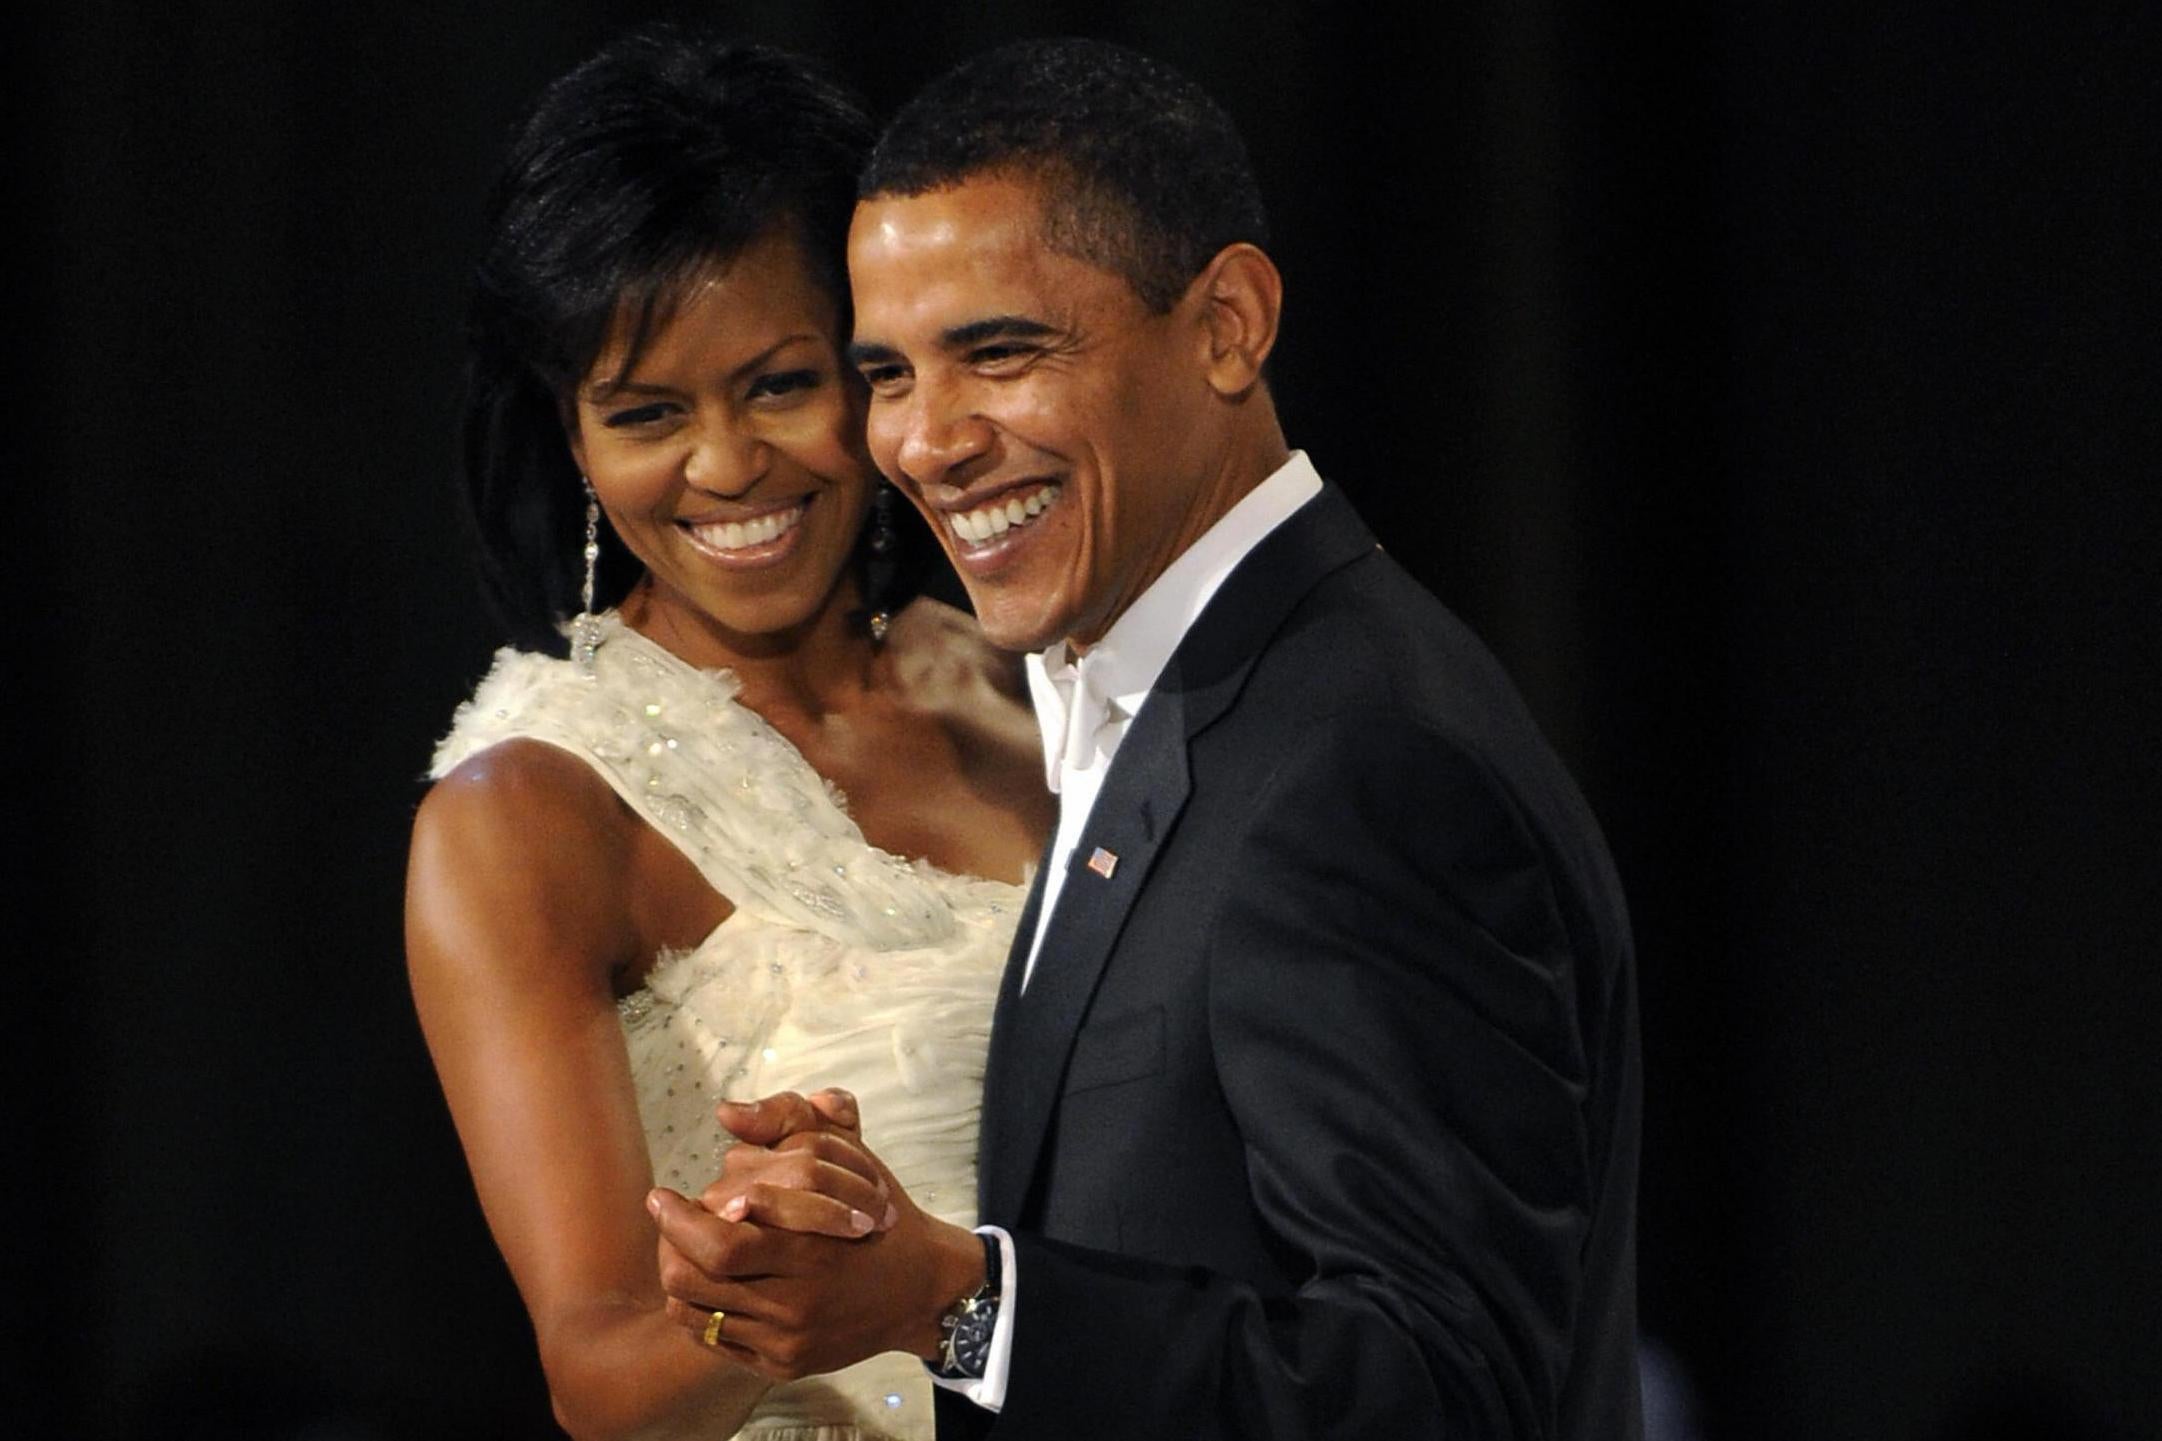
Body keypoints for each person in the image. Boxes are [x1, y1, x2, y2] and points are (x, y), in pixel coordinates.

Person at [646, 37, 1644, 1441]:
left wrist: (954, 1300)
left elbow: (1440, 1393)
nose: (927, 441)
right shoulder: (1169, 704)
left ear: (1228, 322)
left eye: (999, 352)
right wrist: (899, 1248)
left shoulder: (1357, 760)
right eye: (888, 372)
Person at [404, 26, 1051, 1441]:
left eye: (777, 384)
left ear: (872, 363)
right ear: (573, 442)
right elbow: (595, 1370)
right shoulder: (532, 809)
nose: (722, 467)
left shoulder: (1017, 687)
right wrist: (777, 1283)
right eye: (646, 413)